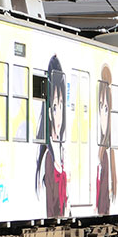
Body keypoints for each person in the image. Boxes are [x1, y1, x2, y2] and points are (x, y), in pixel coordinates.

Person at [36, 55, 67, 217]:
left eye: (62, 105)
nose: (60, 113)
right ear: (49, 111)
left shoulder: (60, 154)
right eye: (55, 106)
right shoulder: (49, 157)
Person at [96, 64, 117, 215]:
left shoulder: (107, 156)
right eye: (100, 107)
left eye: (106, 109)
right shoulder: (100, 154)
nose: (103, 115)